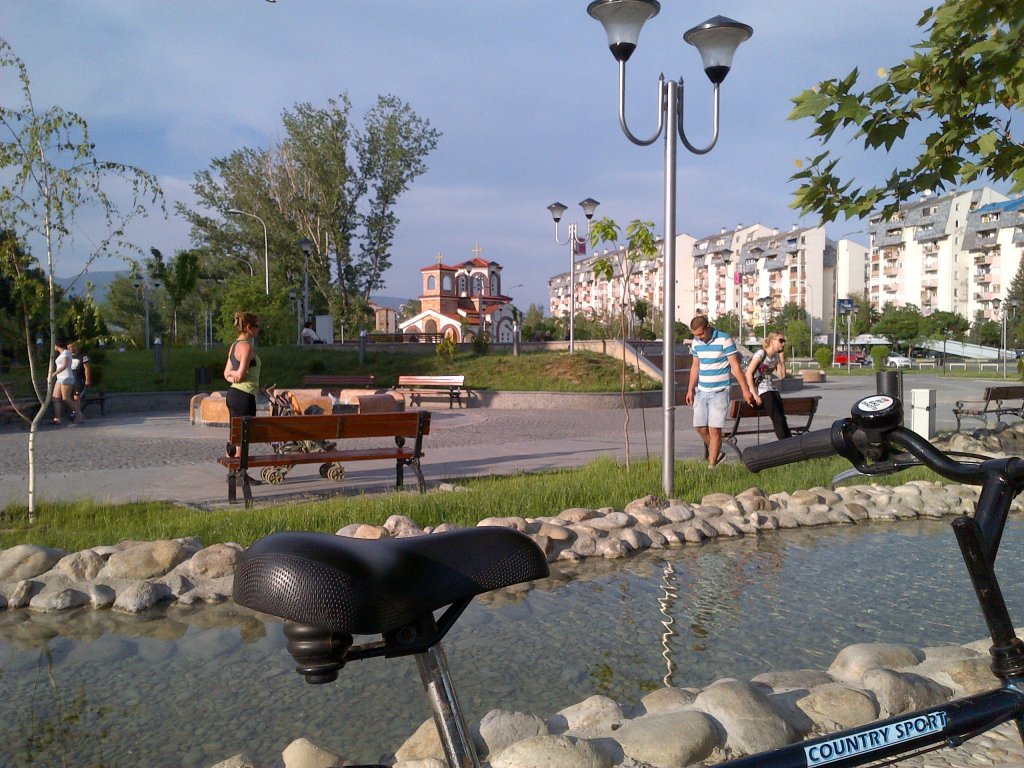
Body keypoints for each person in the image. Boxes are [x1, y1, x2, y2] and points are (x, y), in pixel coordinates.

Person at [685, 316, 754, 468]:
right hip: (702, 390)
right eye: (695, 335)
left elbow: (735, 366)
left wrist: (745, 390)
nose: (699, 337)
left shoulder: (724, 339)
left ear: (708, 328)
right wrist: (690, 389)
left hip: (720, 390)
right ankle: (718, 453)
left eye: (701, 334)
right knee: (700, 427)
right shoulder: (696, 342)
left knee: (714, 429)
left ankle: (711, 466)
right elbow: (695, 366)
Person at [223, 311, 263, 484]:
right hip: (244, 396)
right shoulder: (246, 347)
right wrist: (237, 375)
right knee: (242, 437)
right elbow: (240, 374)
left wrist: (234, 375)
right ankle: (241, 474)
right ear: (248, 327)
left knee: (234, 434)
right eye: (256, 326)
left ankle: (232, 473)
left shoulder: (234, 346)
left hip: (233, 394)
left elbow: (227, 374)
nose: (258, 329)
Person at [745, 331, 792, 439]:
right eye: (781, 340)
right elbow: (748, 373)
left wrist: (782, 359)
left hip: (771, 389)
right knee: (777, 419)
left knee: (782, 418)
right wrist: (754, 394)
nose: (783, 344)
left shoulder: (776, 356)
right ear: (771, 341)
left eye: (784, 341)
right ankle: (784, 444)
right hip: (762, 391)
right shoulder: (761, 354)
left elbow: (782, 376)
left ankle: (790, 442)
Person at [51, 339, 82, 425]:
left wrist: (53, 374)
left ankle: (79, 414)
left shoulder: (66, 353)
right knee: (55, 398)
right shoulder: (61, 354)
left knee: (66, 398)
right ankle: (57, 418)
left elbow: (65, 365)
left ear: (57, 345)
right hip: (59, 378)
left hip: (66, 377)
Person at [68, 341, 92, 418]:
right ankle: (74, 412)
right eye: (68, 347)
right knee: (70, 397)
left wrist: (87, 379)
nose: (70, 349)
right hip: (70, 380)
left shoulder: (82, 356)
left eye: (72, 346)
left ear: (76, 346)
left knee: (77, 397)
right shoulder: (68, 357)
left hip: (79, 380)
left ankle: (77, 414)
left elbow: (87, 368)